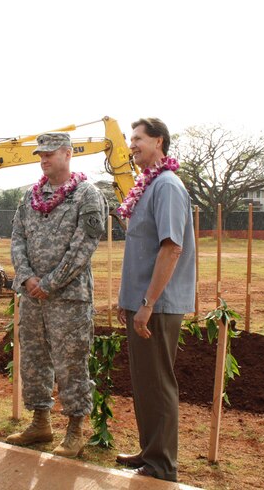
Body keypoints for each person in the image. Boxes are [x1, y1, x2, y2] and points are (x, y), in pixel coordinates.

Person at [7, 133, 107, 458]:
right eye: (41, 153)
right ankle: (40, 423)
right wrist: (26, 277)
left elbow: (82, 248)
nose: (44, 158)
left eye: (50, 153)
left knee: (71, 364)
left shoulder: (88, 196)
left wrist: (48, 283)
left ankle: (75, 431)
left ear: (68, 153)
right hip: (32, 296)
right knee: (34, 361)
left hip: (69, 298)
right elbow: (17, 237)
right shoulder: (29, 198)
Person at [114, 118, 195, 482]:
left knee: (158, 382)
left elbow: (171, 248)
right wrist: (127, 300)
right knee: (144, 381)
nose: (131, 145)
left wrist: (146, 303)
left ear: (159, 141)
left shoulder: (167, 186)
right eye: (131, 139)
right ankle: (150, 452)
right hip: (141, 302)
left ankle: (163, 465)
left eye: (138, 139)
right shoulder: (147, 186)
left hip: (158, 306)